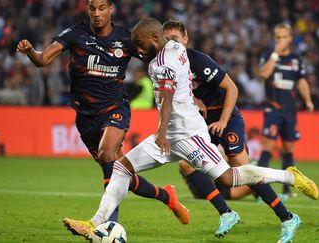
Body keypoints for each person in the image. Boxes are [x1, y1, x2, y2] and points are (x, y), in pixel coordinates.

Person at [77, 17, 319, 241]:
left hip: (189, 135)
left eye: (140, 44)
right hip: (171, 136)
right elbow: (182, 83)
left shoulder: (163, 62)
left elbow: (169, 98)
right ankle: (95, 222)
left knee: (229, 177)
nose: (138, 51)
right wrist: (192, 100)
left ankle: (289, 176)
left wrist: (160, 133)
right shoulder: (176, 49)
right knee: (121, 167)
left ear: (154, 38)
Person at [17, 0, 190, 237]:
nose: (97, 14)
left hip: (115, 108)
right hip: (86, 117)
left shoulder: (126, 39)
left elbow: (160, 60)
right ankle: (166, 196)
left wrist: (189, 90)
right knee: (120, 173)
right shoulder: (75, 34)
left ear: (111, 10)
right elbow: (43, 60)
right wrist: (30, 52)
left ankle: (106, 227)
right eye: (92, 9)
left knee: (108, 154)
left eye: (101, 8)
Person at [162, 20, 304, 242]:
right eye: (167, 40)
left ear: (185, 40)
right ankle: (226, 213)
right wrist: (196, 100)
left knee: (241, 166)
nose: (170, 43)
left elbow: (232, 88)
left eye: (175, 39)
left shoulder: (198, 61)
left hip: (226, 117)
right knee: (186, 164)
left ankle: (287, 217)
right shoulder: (167, 65)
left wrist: (224, 120)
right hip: (202, 121)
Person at [257, 23, 314, 201]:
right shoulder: (268, 55)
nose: (280, 41)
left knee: (289, 149)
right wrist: (275, 54)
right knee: (267, 147)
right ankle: (260, 190)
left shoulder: (296, 59)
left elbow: (302, 81)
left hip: (290, 112)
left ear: (290, 39)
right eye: (277, 38)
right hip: (272, 109)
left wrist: (308, 101)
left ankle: (286, 190)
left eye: (284, 37)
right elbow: (264, 74)